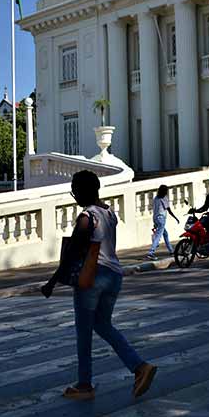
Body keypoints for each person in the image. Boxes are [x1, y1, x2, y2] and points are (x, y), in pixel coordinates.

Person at [62, 170, 157, 401]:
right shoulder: (109, 212)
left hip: (92, 277)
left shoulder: (86, 217)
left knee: (83, 332)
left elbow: (73, 252)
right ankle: (139, 367)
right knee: (103, 325)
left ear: (82, 192)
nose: (74, 197)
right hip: (114, 275)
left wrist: (52, 282)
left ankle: (84, 385)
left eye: (75, 192)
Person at [147, 185, 179, 260]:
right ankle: (151, 252)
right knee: (158, 236)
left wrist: (154, 222)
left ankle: (171, 251)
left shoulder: (155, 198)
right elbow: (169, 210)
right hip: (161, 219)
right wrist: (175, 218)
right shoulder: (164, 198)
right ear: (165, 191)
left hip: (156, 218)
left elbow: (155, 210)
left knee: (165, 234)